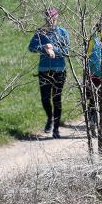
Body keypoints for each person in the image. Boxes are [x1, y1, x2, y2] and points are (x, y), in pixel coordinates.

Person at [28, 7, 70, 139]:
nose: (50, 21)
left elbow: (66, 51)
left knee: (56, 99)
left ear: (56, 18)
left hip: (59, 70)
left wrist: (54, 49)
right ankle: (50, 118)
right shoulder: (40, 33)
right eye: (47, 19)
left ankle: (56, 129)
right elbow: (31, 47)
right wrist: (44, 48)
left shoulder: (62, 32)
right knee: (45, 99)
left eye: (52, 18)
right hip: (44, 70)